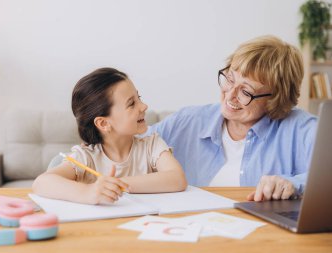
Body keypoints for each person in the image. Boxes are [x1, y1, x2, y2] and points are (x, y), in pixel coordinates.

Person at [145, 35, 317, 201]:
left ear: (276, 99)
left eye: (246, 91)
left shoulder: (301, 129)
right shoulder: (188, 121)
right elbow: (130, 145)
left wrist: (294, 184)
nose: (230, 95)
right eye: (230, 79)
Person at [32, 68, 187, 205]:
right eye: (131, 103)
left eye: (138, 98)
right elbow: (41, 183)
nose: (143, 106)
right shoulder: (86, 157)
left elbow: (177, 179)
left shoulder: (152, 145)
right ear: (103, 123)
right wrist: (88, 192)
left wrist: (117, 184)